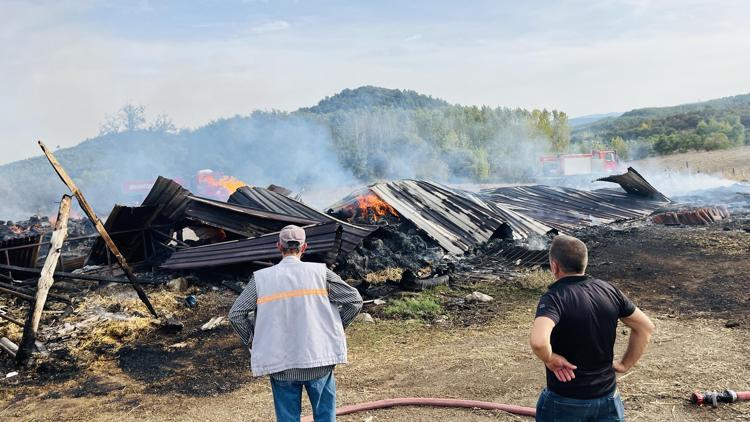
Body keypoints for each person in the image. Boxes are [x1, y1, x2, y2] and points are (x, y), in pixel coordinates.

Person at [229, 225, 363, 422]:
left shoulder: (261, 279)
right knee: (325, 416)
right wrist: (334, 328)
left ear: (278, 246)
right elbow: (354, 301)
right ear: (305, 247)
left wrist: (252, 339)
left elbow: (236, 314)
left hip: (281, 363)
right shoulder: (320, 273)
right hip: (318, 359)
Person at [529, 235, 655, 421]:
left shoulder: (554, 298)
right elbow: (645, 327)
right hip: (608, 399)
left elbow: (539, 342)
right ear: (584, 264)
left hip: (565, 401)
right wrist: (624, 364)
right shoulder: (608, 290)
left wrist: (550, 358)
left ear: (554, 266)